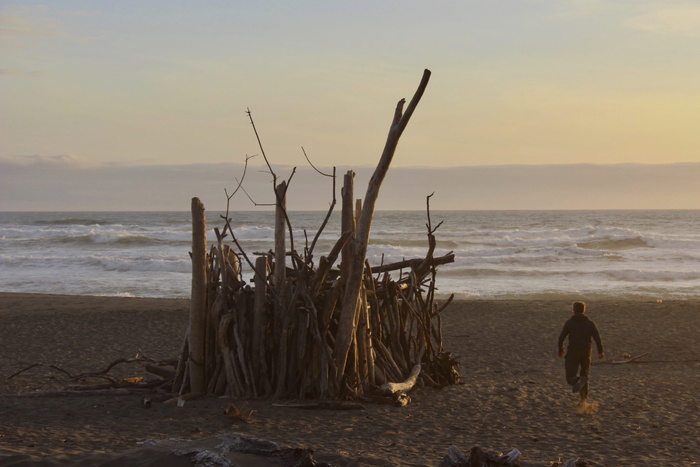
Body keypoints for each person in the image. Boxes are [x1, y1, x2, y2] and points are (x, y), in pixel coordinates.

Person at [557, 301, 605, 402]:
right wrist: (600, 352)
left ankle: (577, 380)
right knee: (585, 376)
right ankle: (584, 400)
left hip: (573, 352)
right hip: (586, 352)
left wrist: (560, 349)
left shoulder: (569, 323)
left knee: (570, 376)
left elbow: (561, 337)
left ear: (574, 310)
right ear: (584, 310)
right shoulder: (590, 323)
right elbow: (597, 338)